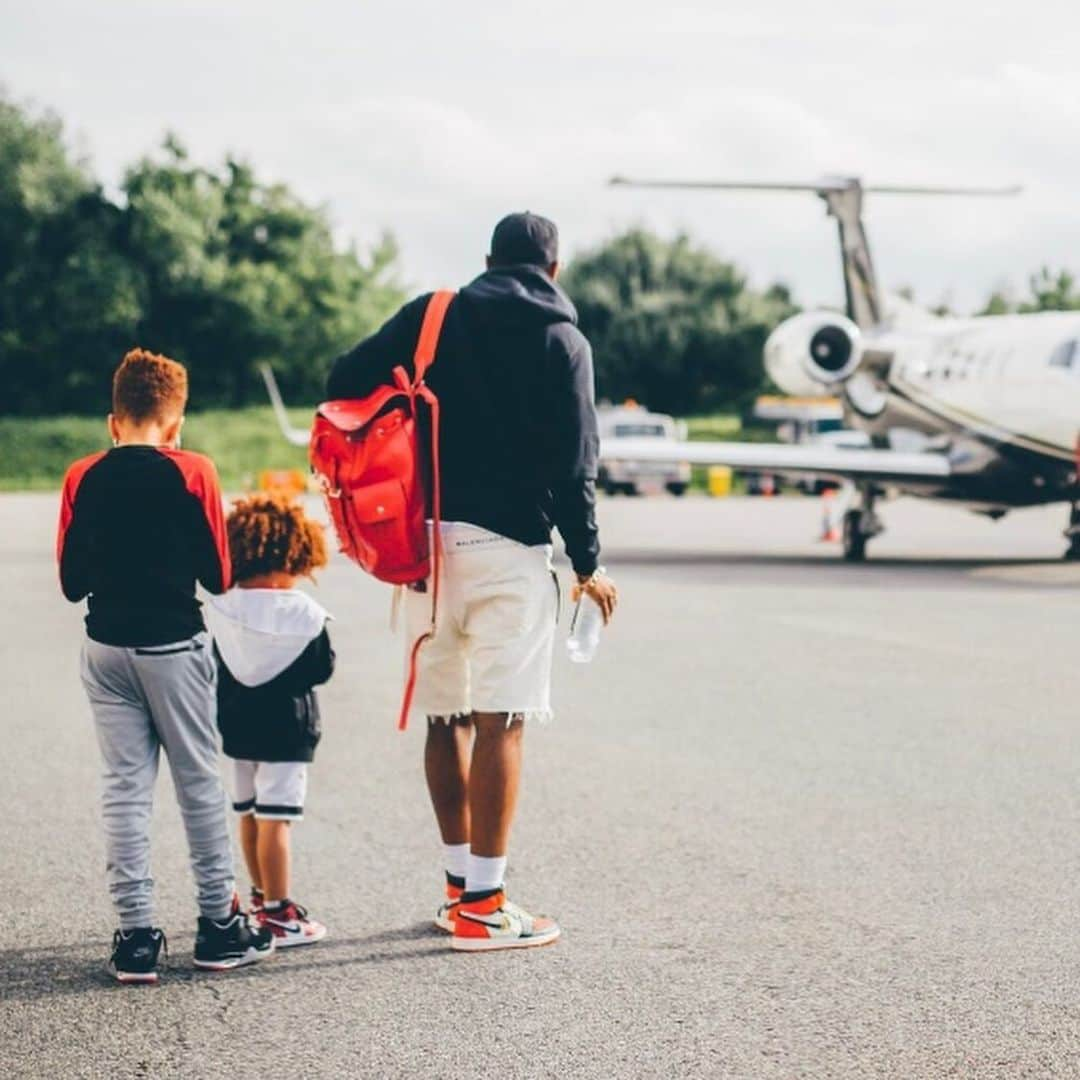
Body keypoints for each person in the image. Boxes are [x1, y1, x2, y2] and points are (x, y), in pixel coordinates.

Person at [327, 211, 618, 951]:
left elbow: (341, 379)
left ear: (489, 261)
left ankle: (459, 887)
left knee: (443, 717)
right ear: (553, 271)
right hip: (510, 549)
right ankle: (486, 907)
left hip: (424, 548)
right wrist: (587, 565)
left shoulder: (435, 315)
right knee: (503, 719)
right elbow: (577, 467)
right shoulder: (565, 341)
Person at [57, 348, 274, 983]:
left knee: (124, 786)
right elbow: (220, 574)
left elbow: (71, 582)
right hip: (174, 646)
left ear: (112, 421)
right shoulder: (194, 471)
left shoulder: (81, 476)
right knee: (199, 783)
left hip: (105, 648)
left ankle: (135, 937)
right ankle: (217, 925)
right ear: (176, 424)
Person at [205, 494, 334, 948]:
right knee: (277, 819)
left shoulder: (223, 606)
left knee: (250, 814)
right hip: (287, 731)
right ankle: (280, 911)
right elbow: (322, 668)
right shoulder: (304, 614)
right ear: (295, 555)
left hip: (237, 726)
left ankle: (260, 896)